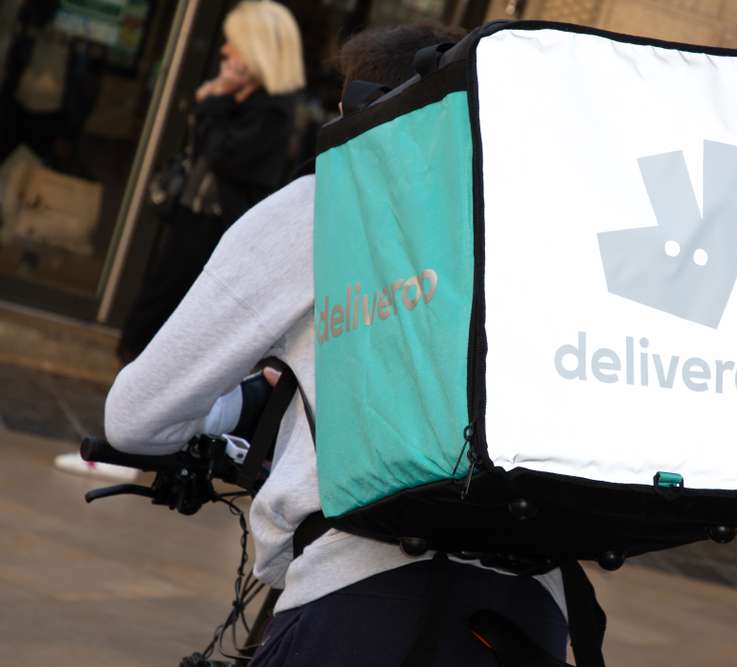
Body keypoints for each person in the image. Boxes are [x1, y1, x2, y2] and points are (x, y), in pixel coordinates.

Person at [103, 23, 569, 666]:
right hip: (533, 609)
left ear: (362, 111)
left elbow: (136, 415)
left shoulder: (323, 204)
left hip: (362, 603)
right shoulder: (541, 219)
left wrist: (221, 415)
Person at [115, 0, 306, 365]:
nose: (225, 50)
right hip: (196, 211)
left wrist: (215, 99)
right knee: (164, 285)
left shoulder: (273, 108)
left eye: (234, 42)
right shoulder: (246, 96)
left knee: (180, 295)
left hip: (219, 221)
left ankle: (141, 359)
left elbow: (222, 154)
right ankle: (135, 353)